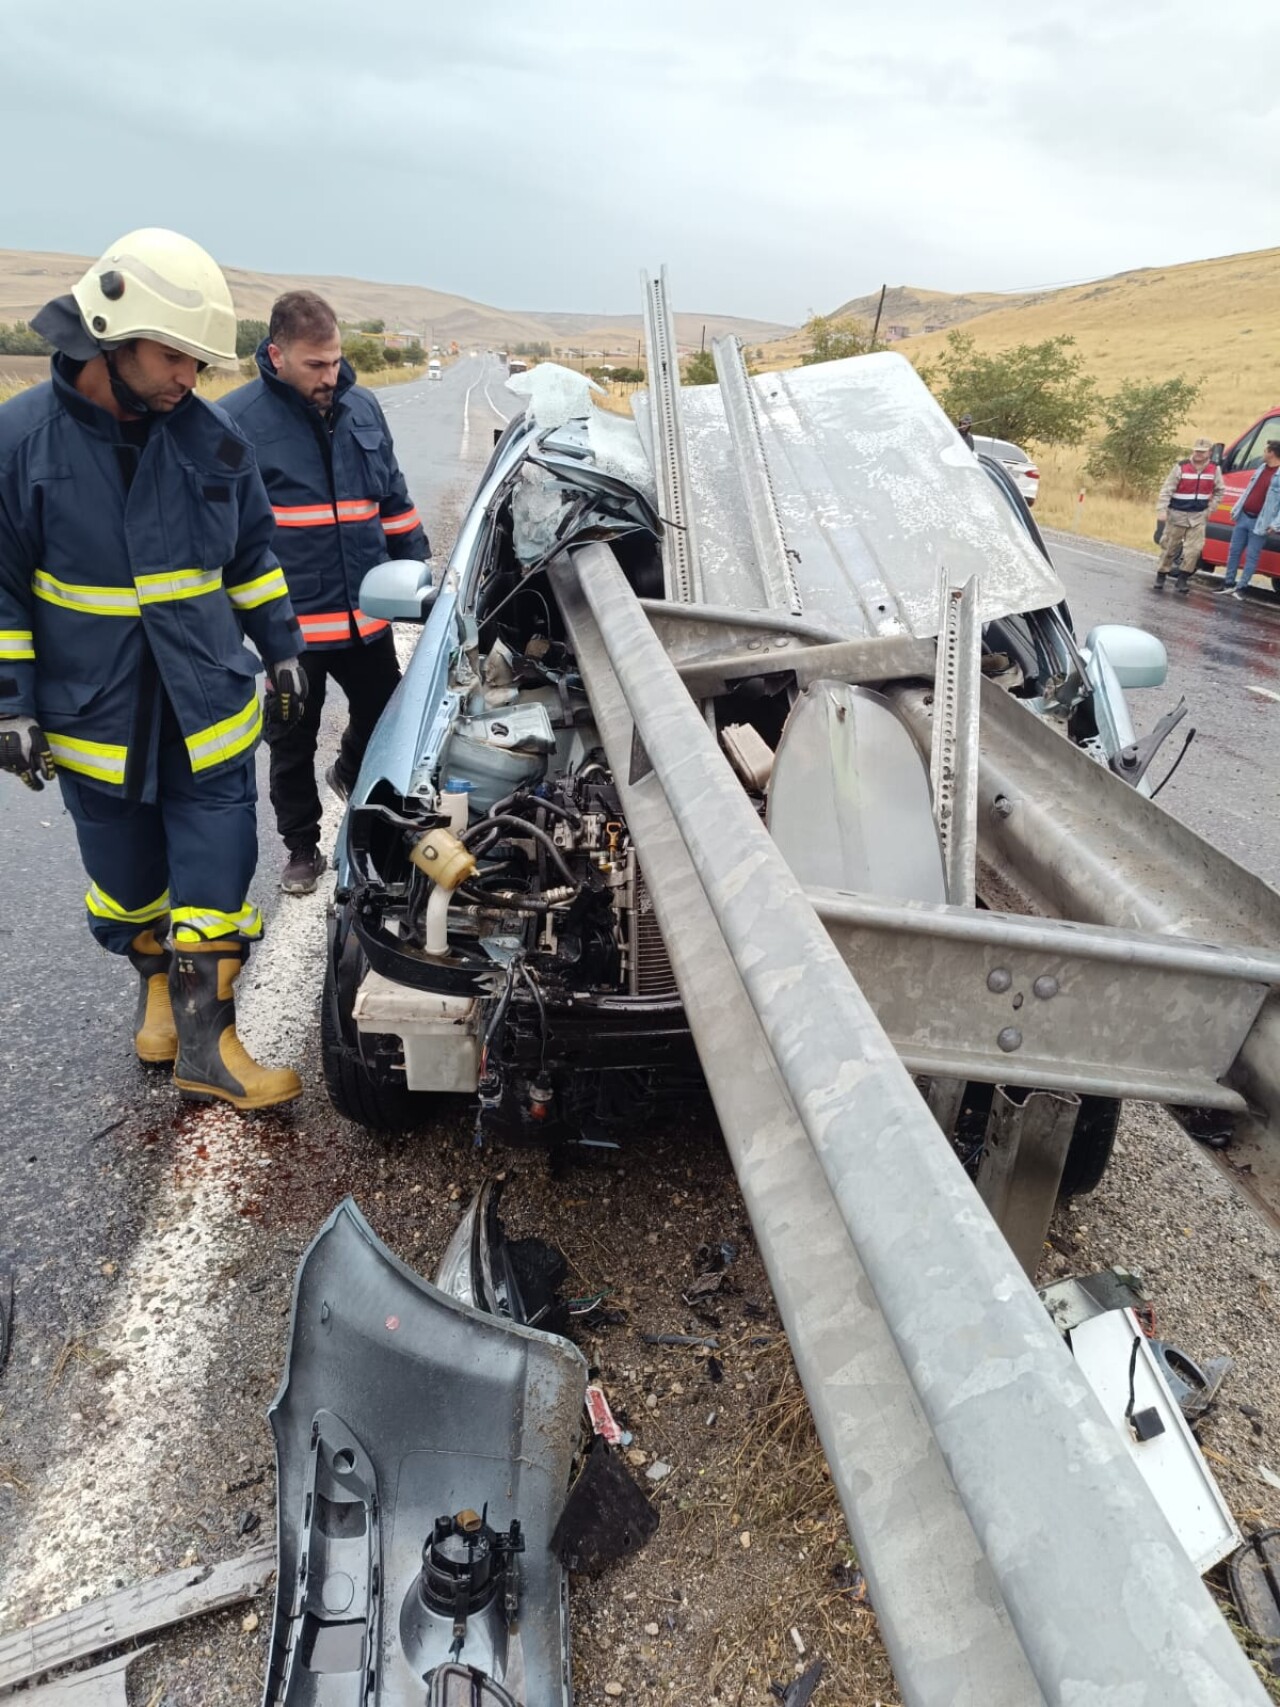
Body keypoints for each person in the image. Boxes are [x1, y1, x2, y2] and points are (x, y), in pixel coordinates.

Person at [0, 228, 306, 1110]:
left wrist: (282, 649)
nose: (189, 378)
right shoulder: (20, 444)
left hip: (204, 700)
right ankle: (157, 995)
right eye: (175, 355)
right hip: (92, 713)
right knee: (129, 881)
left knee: (218, 868)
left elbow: (251, 557)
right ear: (110, 333)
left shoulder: (213, 444)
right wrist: (9, 707)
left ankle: (212, 1049)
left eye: (200, 363)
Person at [221, 292, 429, 894]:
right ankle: (302, 847)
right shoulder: (238, 421)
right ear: (277, 354)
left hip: (367, 617)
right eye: (316, 365)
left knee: (387, 726)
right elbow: (231, 541)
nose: (330, 376)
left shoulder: (362, 408)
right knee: (290, 741)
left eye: (336, 362)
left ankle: (361, 804)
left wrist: (417, 574)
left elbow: (391, 499)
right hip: (293, 631)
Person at [1153, 437, 1224, 593]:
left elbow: (1219, 491)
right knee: (1170, 547)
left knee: (1194, 550)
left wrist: (1210, 509)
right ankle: (1161, 575)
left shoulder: (1214, 469)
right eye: (1196, 451)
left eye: (1202, 452)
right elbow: (1167, 489)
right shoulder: (1181, 467)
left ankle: (1183, 579)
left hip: (1198, 516)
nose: (1198, 454)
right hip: (1177, 514)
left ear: (1209, 453)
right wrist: (1162, 510)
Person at [1216, 440, 1280, 599]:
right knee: (1234, 551)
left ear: (1272, 453)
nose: (1263, 453)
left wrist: (1275, 524)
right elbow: (1249, 490)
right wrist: (1237, 507)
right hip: (1244, 515)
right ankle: (1228, 583)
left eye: (1266, 450)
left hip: (1260, 522)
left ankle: (1241, 587)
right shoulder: (1261, 468)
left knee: (1252, 555)